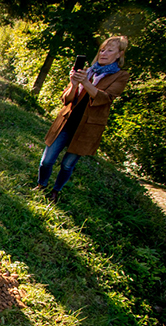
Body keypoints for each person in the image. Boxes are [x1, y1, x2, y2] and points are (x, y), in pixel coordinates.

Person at [34, 36, 130, 203]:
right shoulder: (87, 71)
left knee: (67, 165)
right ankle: (41, 185)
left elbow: (104, 98)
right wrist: (73, 84)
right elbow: (66, 99)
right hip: (66, 121)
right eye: (102, 50)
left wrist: (85, 82)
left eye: (109, 50)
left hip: (87, 128)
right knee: (47, 160)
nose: (104, 53)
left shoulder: (120, 76)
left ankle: (55, 191)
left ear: (119, 54)